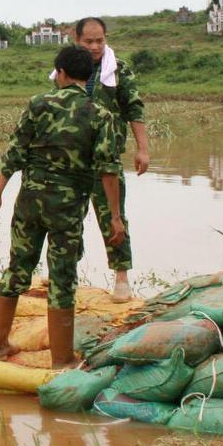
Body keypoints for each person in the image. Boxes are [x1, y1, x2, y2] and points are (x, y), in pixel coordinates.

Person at [0, 46, 124, 367]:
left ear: (60, 73)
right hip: (67, 208)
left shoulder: (38, 104)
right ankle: (61, 361)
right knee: (62, 278)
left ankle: (0, 347)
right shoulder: (100, 114)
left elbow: (15, 153)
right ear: (88, 77)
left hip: (29, 202)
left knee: (17, 269)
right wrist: (115, 217)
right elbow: (108, 170)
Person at [74, 17, 148, 302]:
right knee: (70, 219)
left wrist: (143, 149)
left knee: (114, 216)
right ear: (76, 40)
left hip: (107, 158)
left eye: (99, 40)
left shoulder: (118, 70)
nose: (95, 46)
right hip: (74, 160)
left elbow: (134, 108)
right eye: (88, 41)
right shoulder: (66, 71)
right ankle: (70, 275)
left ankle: (121, 276)